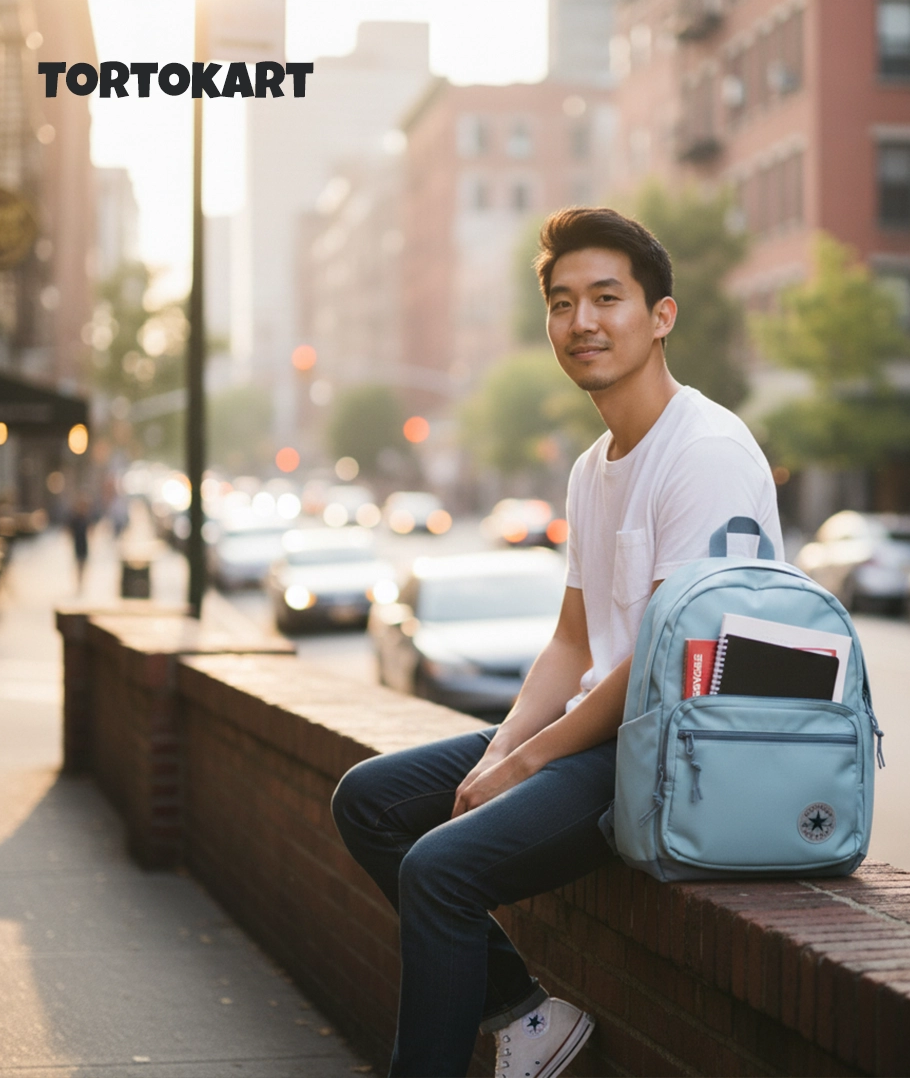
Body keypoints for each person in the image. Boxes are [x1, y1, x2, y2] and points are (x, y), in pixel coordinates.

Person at [331, 207, 784, 1078]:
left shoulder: (708, 451)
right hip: (602, 732)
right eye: (563, 302)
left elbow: (660, 660)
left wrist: (526, 765)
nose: (582, 322)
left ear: (662, 316)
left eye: (607, 298)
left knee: (438, 871)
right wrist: (500, 748)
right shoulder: (592, 466)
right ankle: (526, 1017)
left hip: (672, 750)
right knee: (369, 802)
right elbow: (572, 644)